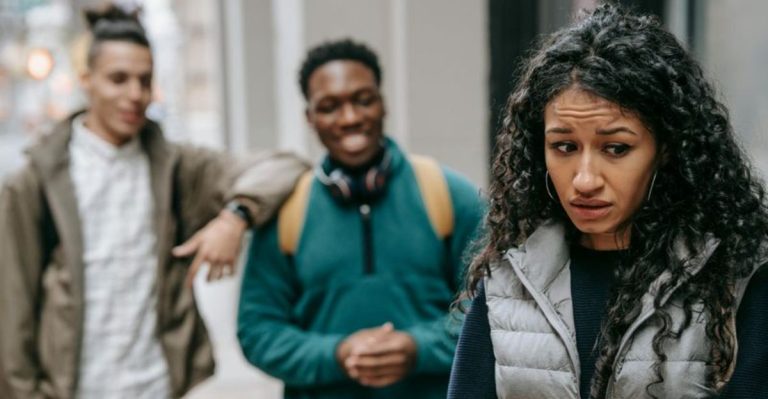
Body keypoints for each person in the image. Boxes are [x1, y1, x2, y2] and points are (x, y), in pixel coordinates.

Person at [448, 4, 768, 399]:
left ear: (665, 148)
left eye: (616, 148)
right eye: (563, 146)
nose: (584, 180)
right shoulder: (510, 280)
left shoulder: (734, 279)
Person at [0, 5, 307, 399]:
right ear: (86, 81)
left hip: (156, 386)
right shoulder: (35, 180)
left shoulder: (175, 166)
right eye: (118, 79)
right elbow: (13, 309)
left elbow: (285, 165)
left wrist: (236, 217)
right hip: (73, 388)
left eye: (145, 81)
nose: (135, 95)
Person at [237, 39, 485, 399]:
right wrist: (336, 354)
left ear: (383, 103)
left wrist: (417, 348)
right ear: (310, 118)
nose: (350, 118)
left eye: (363, 99)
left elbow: (492, 307)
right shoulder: (287, 211)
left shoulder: (450, 195)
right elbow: (257, 330)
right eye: (329, 106)